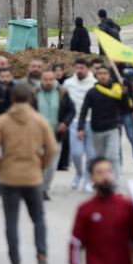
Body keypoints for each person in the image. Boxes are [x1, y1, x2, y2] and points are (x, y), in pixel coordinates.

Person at [0, 83, 57, 264]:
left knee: (11, 221)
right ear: (30, 99)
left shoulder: (2, 121)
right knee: (38, 219)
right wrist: (41, 166)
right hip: (33, 176)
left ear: (11, 99)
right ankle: (42, 260)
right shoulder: (40, 121)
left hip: (9, 176)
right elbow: (52, 149)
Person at [78, 66, 125, 179]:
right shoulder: (92, 92)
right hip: (97, 129)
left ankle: (114, 183)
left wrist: (125, 95)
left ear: (109, 75)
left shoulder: (116, 91)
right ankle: (100, 181)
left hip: (113, 128)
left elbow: (126, 107)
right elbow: (84, 110)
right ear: (96, 76)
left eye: (105, 73)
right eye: (100, 73)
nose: (102, 76)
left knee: (113, 156)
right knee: (100, 158)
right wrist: (81, 127)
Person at [37, 70, 75, 200]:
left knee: (51, 166)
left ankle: (45, 188)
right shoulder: (34, 93)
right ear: (41, 80)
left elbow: (71, 110)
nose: (48, 82)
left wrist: (65, 123)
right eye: (45, 79)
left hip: (56, 136)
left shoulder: (62, 92)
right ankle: (37, 189)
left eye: (50, 80)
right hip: (37, 137)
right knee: (39, 164)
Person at [64, 59, 97, 192]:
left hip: (91, 122)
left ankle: (88, 181)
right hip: (74, 122)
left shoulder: (95, 84)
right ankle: (79, 173)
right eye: (77, 68)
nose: (80, 70)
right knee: (76, 154)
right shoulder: (68, 84)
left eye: (82, 68)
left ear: (88, 69)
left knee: (91, 155)